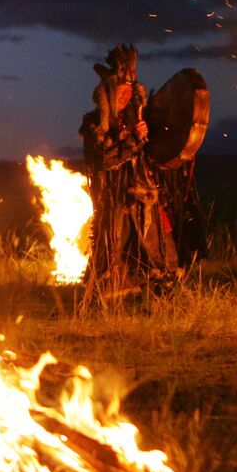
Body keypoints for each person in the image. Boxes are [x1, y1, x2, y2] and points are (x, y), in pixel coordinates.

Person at [79, 44, 177, 299]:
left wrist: (147, 137)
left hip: (144, 194)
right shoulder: (93, 123)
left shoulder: (141, 121)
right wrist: (133, 141)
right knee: (113, 245)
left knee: (154, 244)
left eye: (128, 92)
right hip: (115, 197)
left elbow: (156, 155)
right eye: (119, 92)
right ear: (108, 94)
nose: (124, 97)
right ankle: (106, 295)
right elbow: (102, 160)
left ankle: (158, 292)